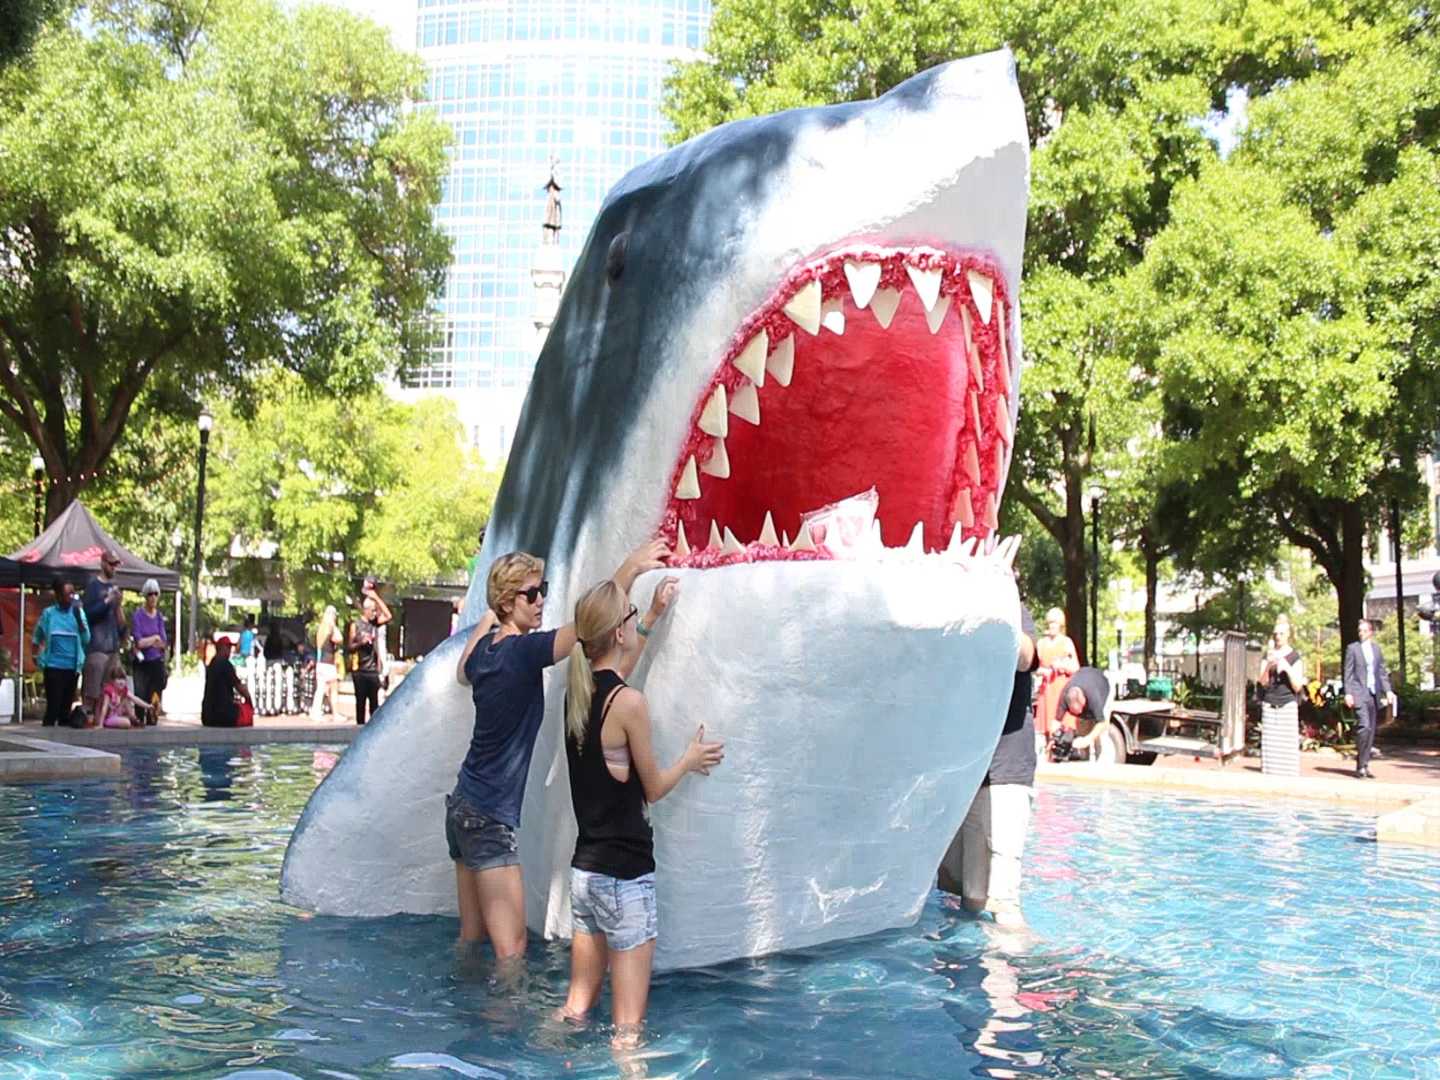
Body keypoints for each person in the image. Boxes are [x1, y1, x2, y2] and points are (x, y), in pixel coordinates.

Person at [447, 540, 667, 964]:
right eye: (531, 593)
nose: (541, 599)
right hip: (489, 819)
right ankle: (500, 1029)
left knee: (471, 942)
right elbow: (586, 628)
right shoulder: (522, 653)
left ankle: (460, 1018)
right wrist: (629, 568)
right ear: (509, 601)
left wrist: (494, 610)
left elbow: (462, 670)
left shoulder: (486, 654)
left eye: (542, 588)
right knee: (511, 954)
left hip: (460, 811)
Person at [557, 577, 724, 1041]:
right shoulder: (630, 704)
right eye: (629, 616)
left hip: (585, 876)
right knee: (628, 1030)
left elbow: (617, 670)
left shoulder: (578, 694)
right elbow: (652, 789)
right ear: (616, 632)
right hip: (625, 878)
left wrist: (650, 616)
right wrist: (689, 761)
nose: (633, 621)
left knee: (575, 1009)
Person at [939, 606, 1039, 927]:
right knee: (969, 898)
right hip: (968, 773)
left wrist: (991, 619)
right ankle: (972, 968)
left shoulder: (1012, 610)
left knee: (1004, 902)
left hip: (1007, 770)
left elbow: (1026, 657)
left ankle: (1006, 972)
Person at [33, 578, 90, 727]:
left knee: (65, 710)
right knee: (53, 707)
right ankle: (46, 740)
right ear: (58, 595)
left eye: (73, 593)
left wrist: (79, 620)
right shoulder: (49, 614)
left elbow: (86, 639)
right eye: (67, 594)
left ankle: (63, 746)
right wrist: (36, 655)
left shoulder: (78, 613)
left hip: (71, 667)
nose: (71, 597)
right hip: (53, 666)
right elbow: (37, 635)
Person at [1343, 618, 1395, 780]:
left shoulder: (1376, 650)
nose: (1361, 634)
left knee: (1371, 730)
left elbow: (1381, 673)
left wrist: (1388, 691)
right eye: (1360, 631)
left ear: (1371, 632)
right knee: (1364, 726)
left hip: (1374, 694)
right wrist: (1348, 693)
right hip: (1359, 693)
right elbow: (1348, 673)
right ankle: (1360, 763)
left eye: (1365, 631)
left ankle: (1364, 764)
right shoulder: (1353, 649)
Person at [82, 549, 125, 721]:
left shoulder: (115, 588)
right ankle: (88, 717)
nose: (114, 568)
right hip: (97, 646)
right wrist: (107, 600)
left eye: (116, 564)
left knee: (112, 689)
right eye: (111, 563)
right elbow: (88, 614)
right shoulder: (93, 586)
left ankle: (103, 720)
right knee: (93, 689)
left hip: (112, 646)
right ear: (103, 563)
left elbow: (120, 622)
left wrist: (119, 605)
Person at [1259, 615, 1304, 777]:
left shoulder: (1295, 657)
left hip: (1287, 702)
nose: (1278, 637)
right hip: (1270, 701)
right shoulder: (1268, 655)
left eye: (1281, 634)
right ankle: (1269, 772)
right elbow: (1262, 681)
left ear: (1288, 635)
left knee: (1286, 744)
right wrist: (1269, 666)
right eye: (1275, 634)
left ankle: (1288, 774)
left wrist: (1287, 668)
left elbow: (1298, 686)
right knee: (1270, 744)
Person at [348, 582, 393, 726]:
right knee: (360, 703)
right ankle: (358, 730)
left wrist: (376, 598)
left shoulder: (374, 624)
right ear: (365, 610)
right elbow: (350, 646)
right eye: (372, 610)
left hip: (372, 669)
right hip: (359, 670)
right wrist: (361, 642)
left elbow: (388, 615)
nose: (374, 613)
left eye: (375, 610)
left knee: (374, 705)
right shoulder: (356, 625)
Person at [1034, 607, 1079, 742]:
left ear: (1060, 625)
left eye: (1055, 623)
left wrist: (1062, 665)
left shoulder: (1066, 642)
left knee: (1061, 722)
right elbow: (1035, 667)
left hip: (1061, 688)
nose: (1053, 626)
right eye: (1050, 623)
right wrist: (1044, 672)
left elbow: (1075, 667)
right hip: (1047, 688)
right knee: (1046, 722)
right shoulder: (1042, 643)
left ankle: (1060, 747)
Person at [1051, 666, 1112, 761]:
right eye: (1075, 712)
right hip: (1083, 679)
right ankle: (1085, 760)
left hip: (1102, 685)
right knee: (1082, 729)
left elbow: (1102, 723)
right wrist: (1055, 737)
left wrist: (1087, 739)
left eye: (1080, 710)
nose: (1079, 712)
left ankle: (1103, 761)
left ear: (1083, 699)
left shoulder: (1093, 696)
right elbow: (1056, 722)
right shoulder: (1064, 696)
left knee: (1100, 736)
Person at [130, 579, 168, 724]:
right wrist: (154, 639)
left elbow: (163, 643)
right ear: (145, 596)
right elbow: (139, 642)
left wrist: (150, 641)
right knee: (140, 693)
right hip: (142, 663)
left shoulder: (159, 617)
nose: (153, 597)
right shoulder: (138, 615)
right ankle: (139, 720)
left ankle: (153, 718)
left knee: (155, 694)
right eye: (150, 594)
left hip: (156, 662)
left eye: (155, 594)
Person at [201, 637, 253, 727]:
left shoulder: (211, 665)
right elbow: (239, 687)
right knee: (245, 714)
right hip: (224, 716)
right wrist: (249, 699)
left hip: (207, 717)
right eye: (227, 647)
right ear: (221, 648)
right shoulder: (226, 664)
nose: (229, 650)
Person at [98, 653, 150, 729]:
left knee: (127, 699)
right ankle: (129, 721)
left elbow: (135, 699)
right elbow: (104, 707)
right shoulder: (109, 691)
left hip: (118, 714)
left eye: (123, 679)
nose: (121, 682)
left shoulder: (123, 690)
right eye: (118, 679)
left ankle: (133, 718)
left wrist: (148, 706)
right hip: (109, 718)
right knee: (126, 723)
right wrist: (100, 724)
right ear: (112, 681)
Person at [309, 606, 342, 720]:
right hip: (328, 663)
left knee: (321, 689)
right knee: (333, 689)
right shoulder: (329, 627)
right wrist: (334, 625)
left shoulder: (321, 628)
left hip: (321, 662)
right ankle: (336, 714)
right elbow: (339, 639)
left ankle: (315, 711)